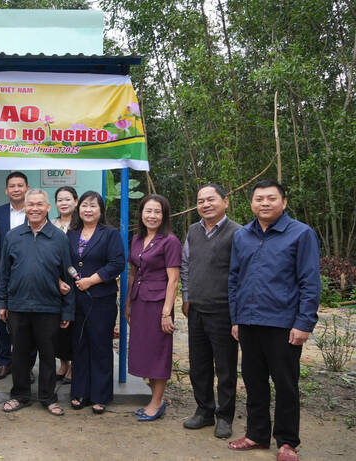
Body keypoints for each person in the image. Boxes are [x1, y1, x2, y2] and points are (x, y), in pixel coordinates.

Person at [227, 180, 320, 461]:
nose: (264, 203)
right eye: (259, 199)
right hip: (249, 321)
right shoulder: (242, 235)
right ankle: (256, 434)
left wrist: (304, 323)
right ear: (252, 203)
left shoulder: (301, 234)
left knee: (285, 384)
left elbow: (310, 282)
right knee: (253, 381)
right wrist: (236, 319)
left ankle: (287, 441)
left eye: (271, 198)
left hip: (283, 323)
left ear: (284, 202)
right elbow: (234, 280)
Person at [0, 189, 74, 417]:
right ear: (25, 207)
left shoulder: (59, 237)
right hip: (18, 306)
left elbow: (68, 275)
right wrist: (3, 303)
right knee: (20, 354)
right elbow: (4, 273)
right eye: (31, 204)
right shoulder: (13, 236)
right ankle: (19, 395)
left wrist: (67, 310)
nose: (35, 208)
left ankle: (48, 398)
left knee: (48, 355)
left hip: (48, 306)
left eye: (40, 204)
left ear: (48, 208)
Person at [180, 184, 241, 438]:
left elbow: (242, 274)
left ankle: (224, 417)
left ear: (225, 202)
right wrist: (186, 296)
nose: (205, 204)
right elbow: (185, 264)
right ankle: (204, 410)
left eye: (211, 199)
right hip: (196, 310)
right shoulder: (193, 231)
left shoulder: (238, 233)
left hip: (223, 311)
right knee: (199, 365)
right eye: (200, 201)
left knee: (225, 368)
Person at [67, 191, 125, 414]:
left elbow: (117, 263)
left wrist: (91, 281)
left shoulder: (110, 234)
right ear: (78, 209)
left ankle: (100, 395)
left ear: (100, 210)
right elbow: (65, 262)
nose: (88, 210)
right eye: (84, 205)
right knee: (79, 345)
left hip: (102, 299)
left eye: (93, 206)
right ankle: (79, 392)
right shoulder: (71, 234)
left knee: (100, 346)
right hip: (76, 299)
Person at [125, 194, 181, 421]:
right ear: (141, 214)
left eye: (157, 211)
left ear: (164, 215)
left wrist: (166, 312)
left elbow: (174, 280)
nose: (152, 216)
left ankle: (157, 402)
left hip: (159, 304)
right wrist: (128, 302)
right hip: (140, 302)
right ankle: (154, 396)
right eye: (148, 211)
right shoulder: (137, 238)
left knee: (158, 353)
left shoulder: (170, 241)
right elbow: (133, 272)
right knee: (143, 351)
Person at [0, 171, 29, 380]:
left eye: (20, 185)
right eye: (12, 186)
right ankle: (4, 362)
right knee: (2, 320)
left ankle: (25, 366)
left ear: (27, 189)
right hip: (3, 276)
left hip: (28, 276)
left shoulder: (35, 210)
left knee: (25, 324)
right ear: (6, 190)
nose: (16, 189)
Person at [51, 185, 78, 383]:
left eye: (68, 199)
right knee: (58, 326)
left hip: (78, 281)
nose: (64, 203)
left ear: (75, 202)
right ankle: (63, 363)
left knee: (74, 324)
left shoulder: (81, 225)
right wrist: (57, 280)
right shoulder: (50, 224)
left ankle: (75, 364)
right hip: (54, 281)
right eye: (60, 199)